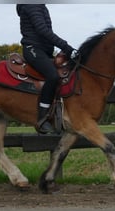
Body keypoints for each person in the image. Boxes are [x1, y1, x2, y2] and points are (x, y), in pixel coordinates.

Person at [16, 4, 78, 134]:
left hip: (44, 51)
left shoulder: (40, 6)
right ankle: (42, 120)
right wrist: (66, 47)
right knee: (53, 76)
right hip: (33, 49)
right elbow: (42, 30)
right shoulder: (32, 5)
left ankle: (58, 115)